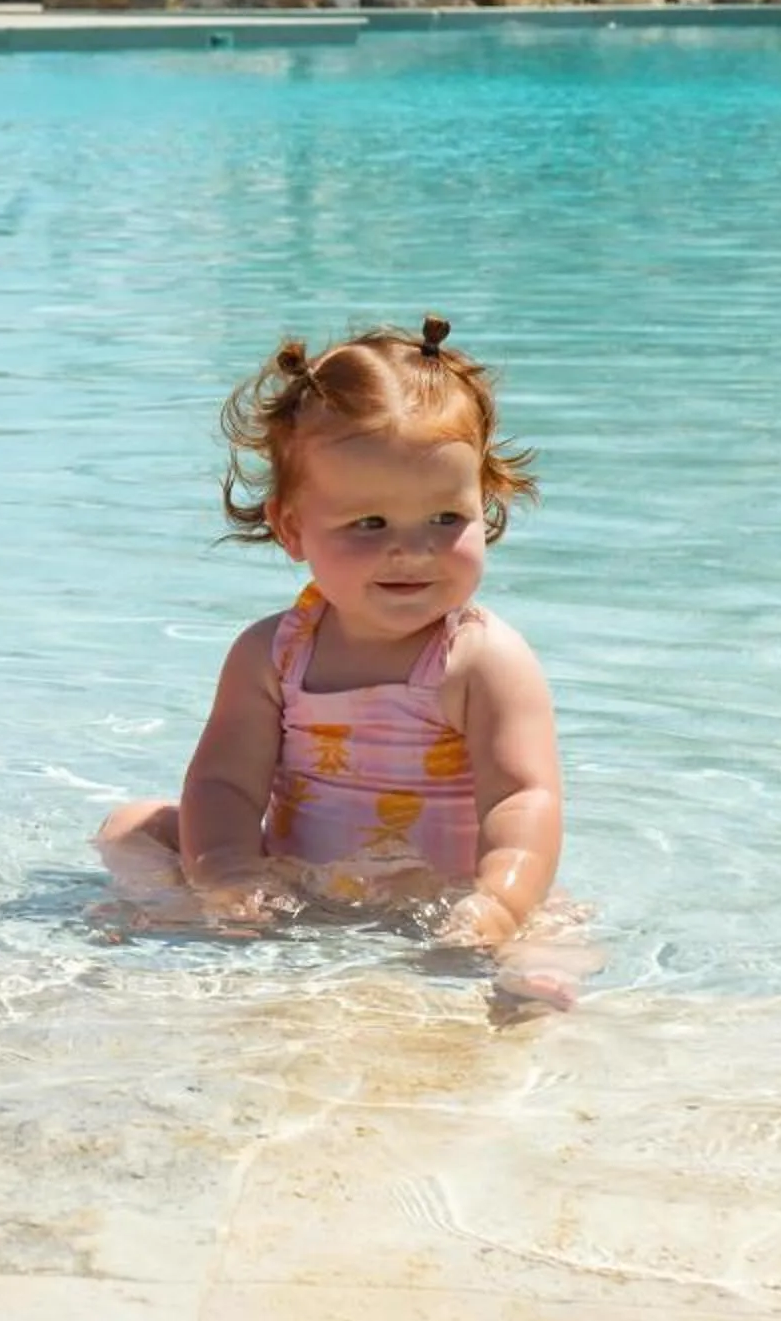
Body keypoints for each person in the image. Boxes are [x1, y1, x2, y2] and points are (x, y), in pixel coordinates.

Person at [97, 318, 574, 999]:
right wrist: (229, 872)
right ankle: (209, 921)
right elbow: (225, 784)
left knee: (548, 928)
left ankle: (526, 985)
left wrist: (499, 901)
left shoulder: (480, 658)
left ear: (485, 505)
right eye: (369, 524)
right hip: (300, 886)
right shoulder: (272, 653)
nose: (412, 549)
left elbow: (522, 797)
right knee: (132, 827)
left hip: (443, 896)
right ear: (292, 528)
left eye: (446, 519)